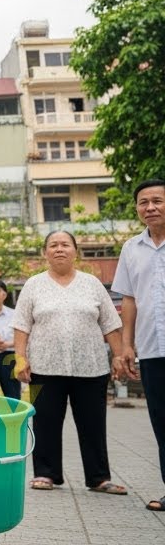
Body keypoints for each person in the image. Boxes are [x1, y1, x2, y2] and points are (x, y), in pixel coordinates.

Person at [14, 230, 131, 495]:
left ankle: (99, 478)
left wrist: (118, 356)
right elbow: (21, 326)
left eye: (65, 244)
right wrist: (20, 359)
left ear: (75, 251)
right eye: (53, 245)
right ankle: (45, 473)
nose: (59, 249)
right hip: (44, 366)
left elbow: (110, 324)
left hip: (91, 366)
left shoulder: (92, 284)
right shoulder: (33, 285)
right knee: (45, 422)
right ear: (45, 253)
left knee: (93, 424)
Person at [115, 179, 165, 511]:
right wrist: (126, 345)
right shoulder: (131, 248)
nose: (150, 207)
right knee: (161, 422)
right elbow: (129, 300)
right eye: (143, 202)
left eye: (157, 201)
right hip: (151, 349)